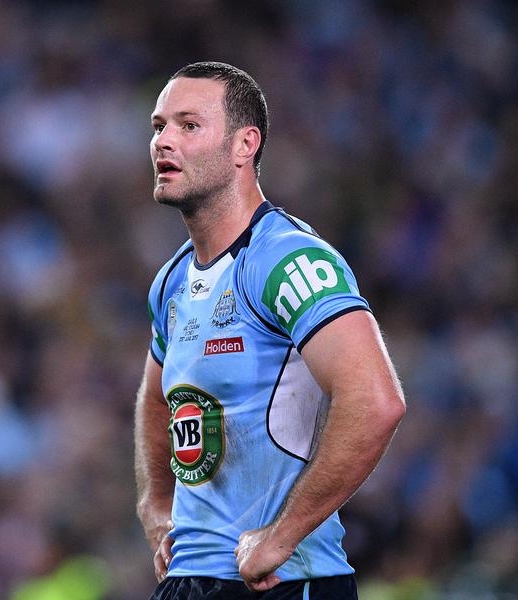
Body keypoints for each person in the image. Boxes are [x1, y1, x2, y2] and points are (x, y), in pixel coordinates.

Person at [134, 61, 406, 600]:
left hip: (282, 582)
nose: (164, 141)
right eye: (159, 126)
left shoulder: (287, 260)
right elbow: (157, 397)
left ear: (245, 145)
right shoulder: (172, 280)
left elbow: (376, 401)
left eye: (189, 125)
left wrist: (282, 537)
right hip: (190, 579)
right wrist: (155, 502)